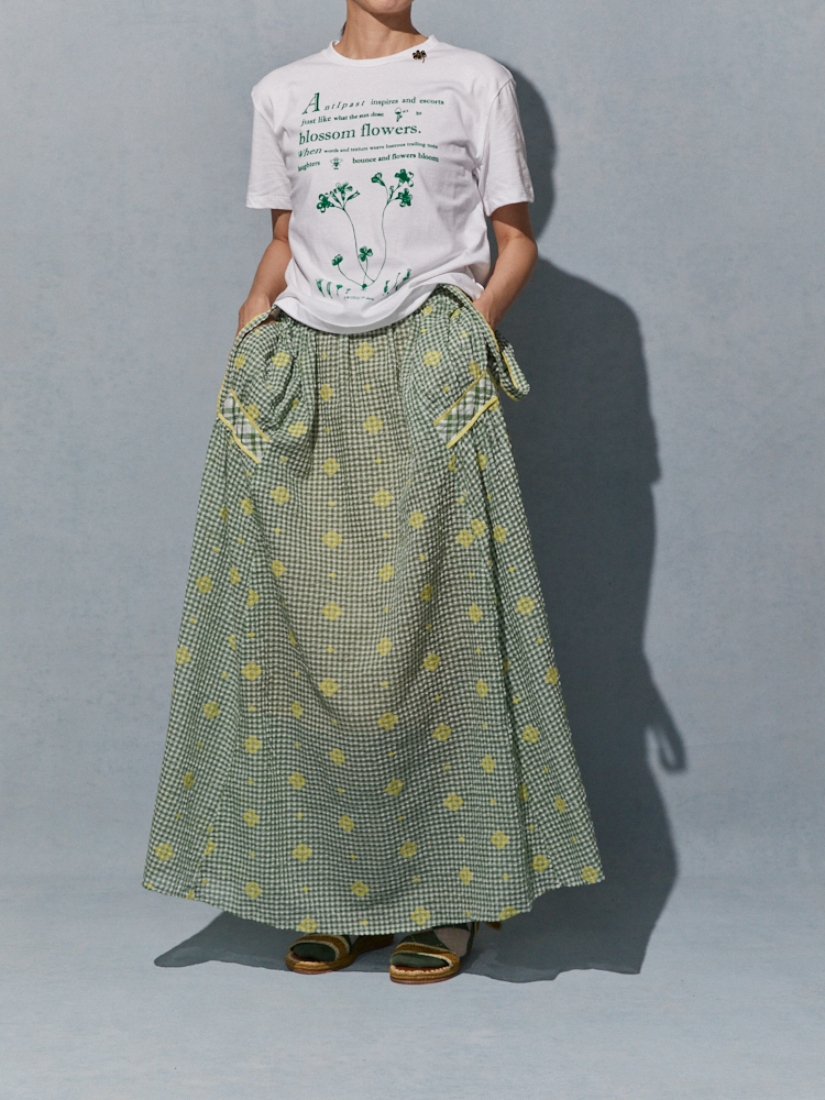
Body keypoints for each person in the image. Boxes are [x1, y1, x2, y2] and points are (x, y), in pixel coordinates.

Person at [143, 0, 603, 985]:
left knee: (442, 634)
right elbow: (285, 240)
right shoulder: (283, 92)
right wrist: (251, 319)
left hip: (426, 364)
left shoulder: (473, 79)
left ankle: (450, 898)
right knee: (307, 643)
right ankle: (335, 895)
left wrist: (468, 333)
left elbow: (513, 239)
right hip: (304, 373)